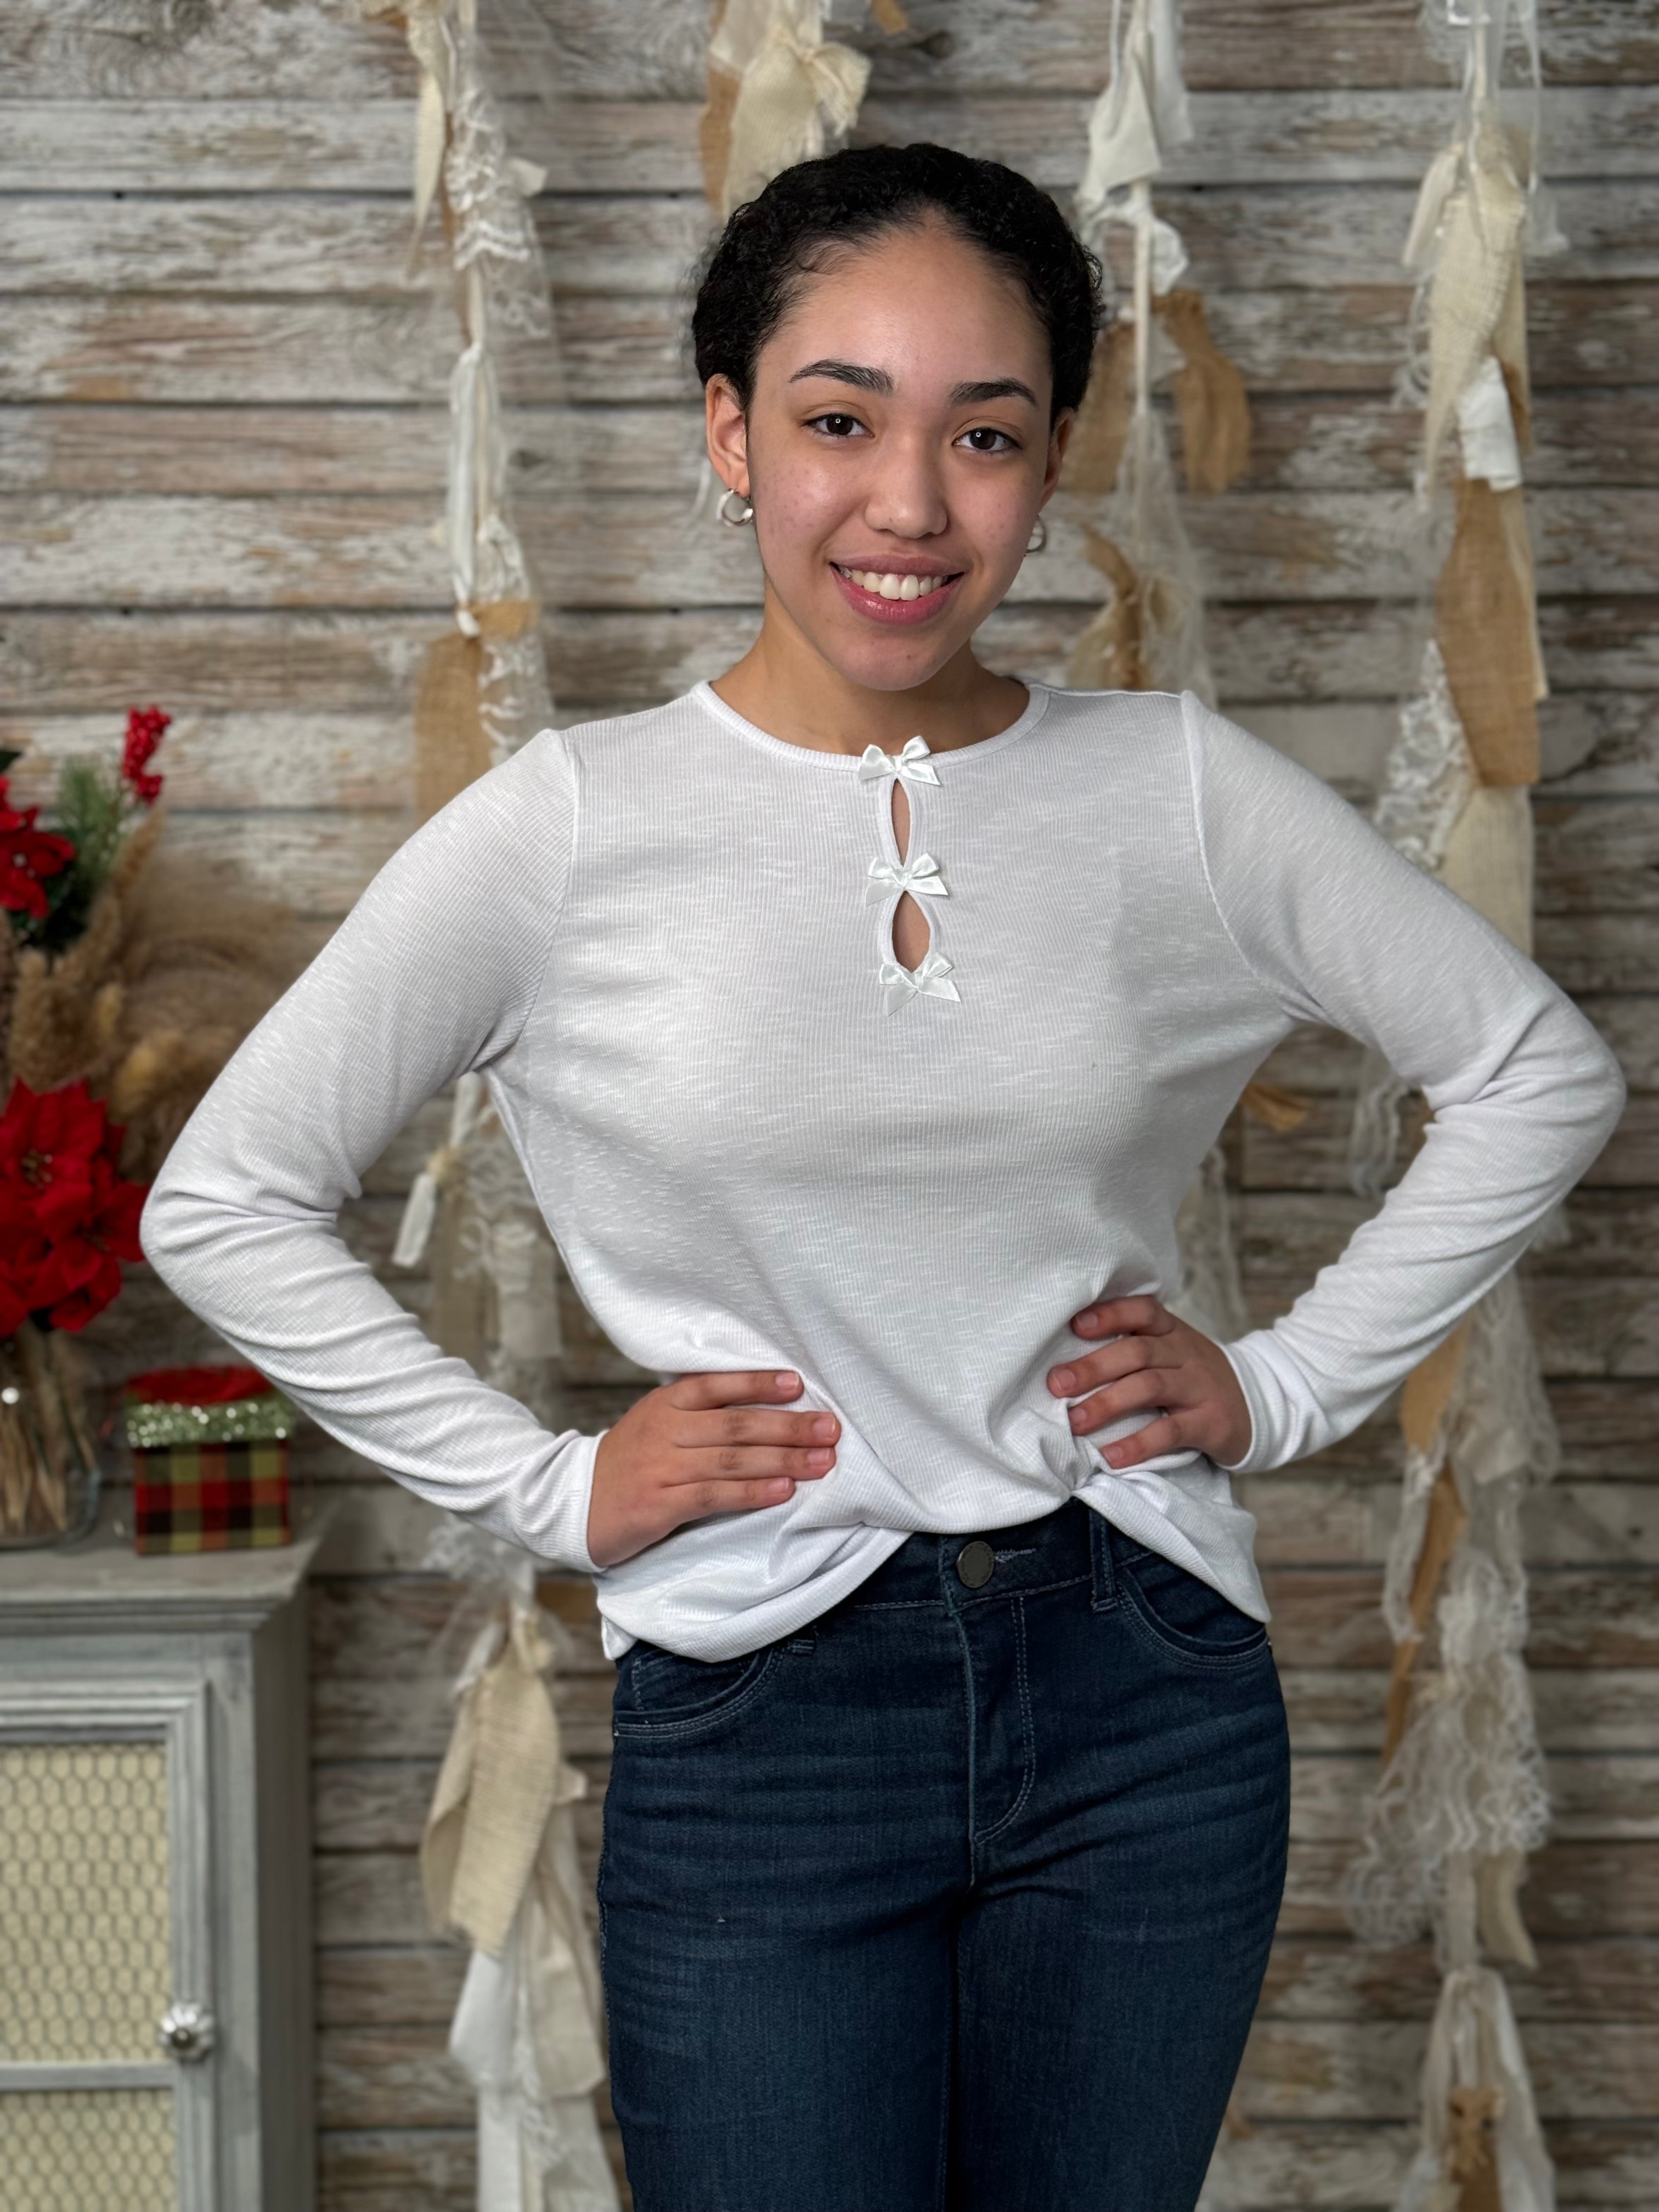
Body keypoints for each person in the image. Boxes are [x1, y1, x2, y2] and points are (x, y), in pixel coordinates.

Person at [141, 142, 1626, 2212]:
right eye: (840, 420)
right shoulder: (570, 827)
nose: (912, 503)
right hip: (761, 1705)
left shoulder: (1178, 792)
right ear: (731, 434)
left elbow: (1538, 1070)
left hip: (1142, 1690)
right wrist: (551, 1488)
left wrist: (1285, 1386)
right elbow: (223, 1198)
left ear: (1053, 460)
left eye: (984, 434)